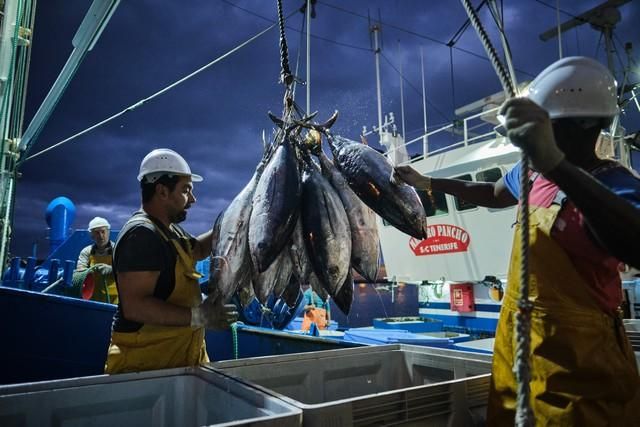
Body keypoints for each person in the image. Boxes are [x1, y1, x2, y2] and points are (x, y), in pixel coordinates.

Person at [394, 56, 640, 424]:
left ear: (583, 125)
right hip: (518, 355)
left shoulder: (614, 185)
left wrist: (556, 164)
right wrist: (429, 183)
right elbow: (493, 193)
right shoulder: (531, 174)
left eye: (543, 126)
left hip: (580, 369)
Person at [104, 148, 238, 374]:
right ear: (162, 191)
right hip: (144, 369)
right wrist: (200, 316)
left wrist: (233, 221)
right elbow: (135, 306)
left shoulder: (169, 231)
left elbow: (198, 249)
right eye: (186, 190)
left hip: (181, 360)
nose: (193, 199)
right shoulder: (141, 235)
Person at [75, 216, 117, 304]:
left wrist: (112, 270)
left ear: (108, 232)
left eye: (103, 232)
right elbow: (80, 273)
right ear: (92, 235)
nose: (101, 236)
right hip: (92, 299)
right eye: (97, 233)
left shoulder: (118, 250)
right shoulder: (86, 252)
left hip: (115, 300)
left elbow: (126, 270)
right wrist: (86, 272)